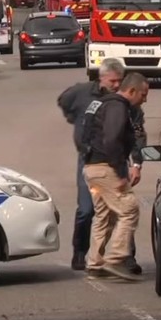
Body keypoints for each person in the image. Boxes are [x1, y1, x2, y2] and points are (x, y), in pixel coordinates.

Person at [57, 58, 142, 275]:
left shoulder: (126, 104)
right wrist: (74, 119)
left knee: (110, 211)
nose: (116, 85)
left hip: (111, 162)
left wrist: (136, 162)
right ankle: (82, 253)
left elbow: (135, 133)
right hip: (96, 162)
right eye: (112, 80)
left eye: (119, 80)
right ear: (101, 77)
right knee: (93, 209)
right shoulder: (83, 93)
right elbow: (64, 101)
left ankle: (123, 257)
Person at [79, 72, 150, 282]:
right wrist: (120, 172)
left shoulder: (99, 104)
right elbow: (111, 140)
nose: (144, 100)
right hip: (105, 168)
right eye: (143, 95)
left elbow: (85, 137)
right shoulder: (117, 107)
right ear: (132, 91)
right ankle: (115, 259)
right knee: (129, 209)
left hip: (92, 167)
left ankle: (95, 263)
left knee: (104, 215)